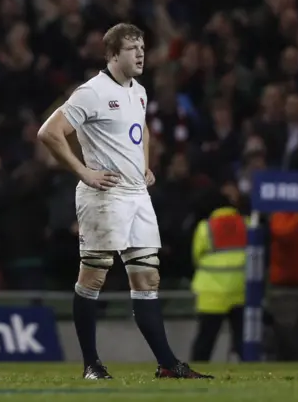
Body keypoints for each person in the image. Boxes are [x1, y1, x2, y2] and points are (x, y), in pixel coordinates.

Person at [37, 23, 213, 380]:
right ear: (113, 54)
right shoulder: (92, 92)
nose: (141, 54)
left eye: (143, 47)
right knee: (93, 277)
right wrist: (84, 172)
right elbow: (49, 133)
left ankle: (167, 365)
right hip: (104, 195)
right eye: (132, 48)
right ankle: (91, 365)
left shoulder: (140, 92)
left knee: (147, 279)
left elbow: (142, 128)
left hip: (137, 195)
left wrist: (145, 165)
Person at [190, 190, 246, 361]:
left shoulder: (205, 227)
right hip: (241, 289)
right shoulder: (247, 224)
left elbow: (196, 256)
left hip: (211, 293)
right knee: (242, 340)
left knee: (205, 340)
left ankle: (196, 373)